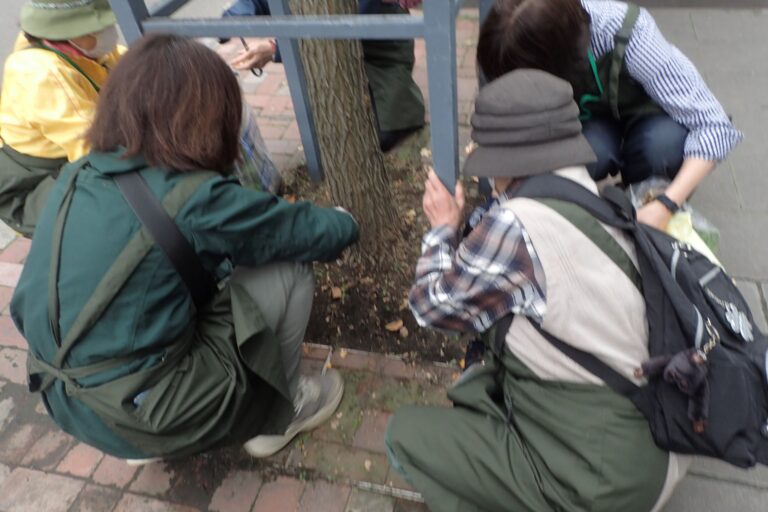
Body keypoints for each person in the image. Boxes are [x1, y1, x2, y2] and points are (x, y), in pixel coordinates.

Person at [11, 33, 359, 464]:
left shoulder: (77, 174)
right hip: (143, 409)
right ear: (206, 116)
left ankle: (141, 439)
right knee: (289, 269)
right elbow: (306, 233)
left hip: (68, 400)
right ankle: (281, 413)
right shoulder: (192, 197)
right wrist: (348, 220)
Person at [386, 70, 687, 512]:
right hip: (657, 442)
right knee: (477, 386)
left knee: (406, 436)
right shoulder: (597, 194)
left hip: (604, 480)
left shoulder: (517, 225)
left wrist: (442, 230)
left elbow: (431, 308)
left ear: (506, 162)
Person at [476, 0, 742, 230]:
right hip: (593, 120)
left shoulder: (628, 32)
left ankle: (646, 200)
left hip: (649, 118)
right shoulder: (514, 46)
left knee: (662, 148)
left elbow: (714, 125)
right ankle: (584, 204)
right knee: (589, 154)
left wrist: (667, 203)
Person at [224, 0, 425, 151]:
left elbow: (341, 32)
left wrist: (274, 49)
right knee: (336, 135)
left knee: (386, 134)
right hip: (336, 53)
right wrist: (234, 17)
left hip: (380, 55)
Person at [0, 0, 123, 236]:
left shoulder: (84, 50)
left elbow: (132, 65)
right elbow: (95, 149)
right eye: (95, 28)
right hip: (36, 183)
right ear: (66, 33)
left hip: (75, 153)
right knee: (117, 212)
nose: (108, 32)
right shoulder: (39, 73)